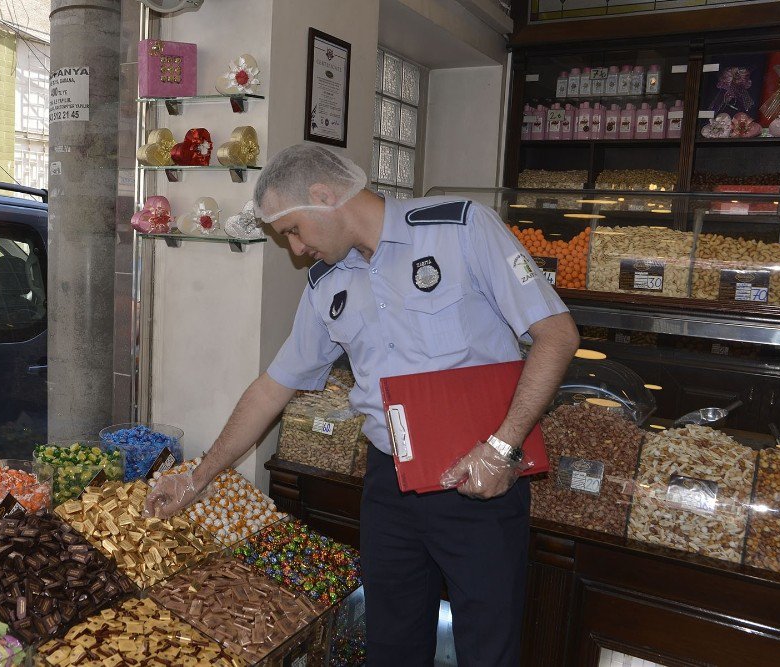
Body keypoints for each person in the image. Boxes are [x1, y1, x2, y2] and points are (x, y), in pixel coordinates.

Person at [144, 143, 580, 666]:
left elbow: (557, 335)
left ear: (325, 196)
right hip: (388, 485)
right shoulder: (328, 282)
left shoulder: (461, 228)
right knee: (391, 645)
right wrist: (199, 476)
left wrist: (503, 449)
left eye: (293, 230)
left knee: (488, 647)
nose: (298, 249)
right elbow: (273, 387)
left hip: (480, 482)